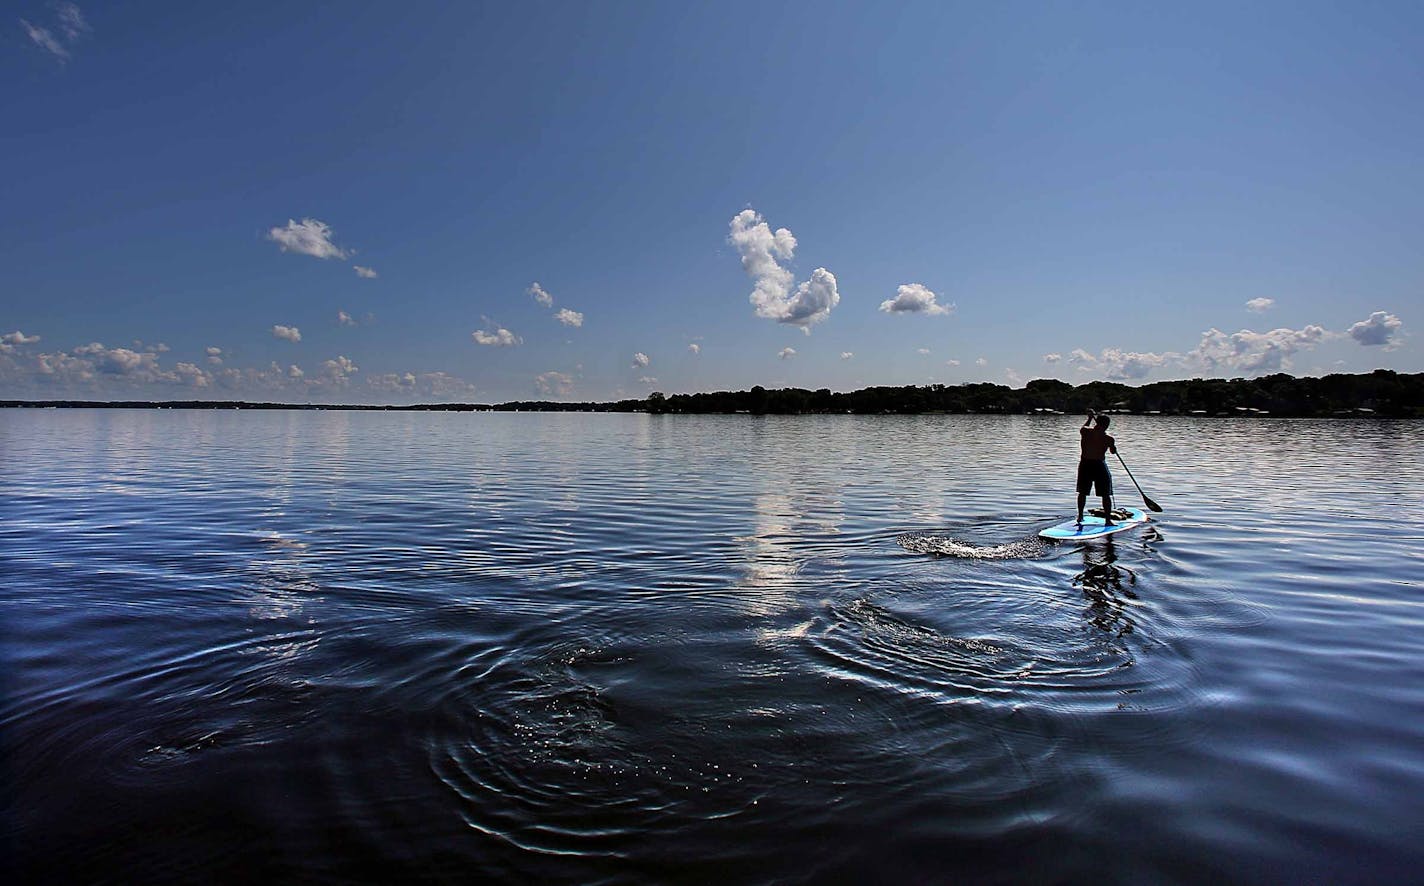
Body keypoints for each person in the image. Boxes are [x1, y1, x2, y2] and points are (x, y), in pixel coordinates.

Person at [1077, 409, 1117, 526]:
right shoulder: (1108, 438)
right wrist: (1113, 447)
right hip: (1096, 465)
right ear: (1105, 425)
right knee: (1097, 493)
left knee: (1087, 492)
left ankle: (1082, 517)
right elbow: (1113, 451)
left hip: (1088, 465)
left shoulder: (1086, 431)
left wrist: (1089, 419)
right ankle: (1106, 520)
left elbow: (1112, 450)